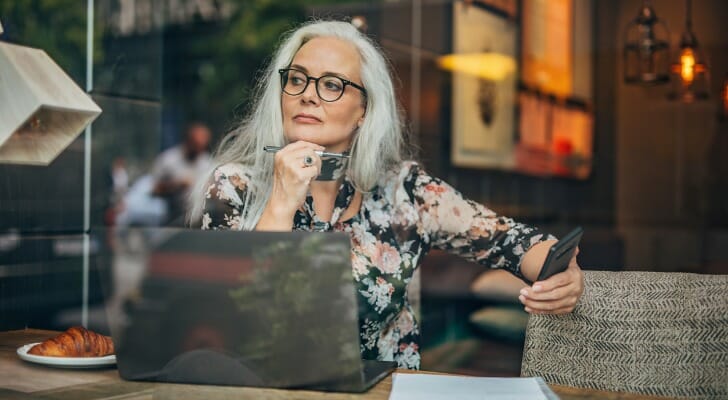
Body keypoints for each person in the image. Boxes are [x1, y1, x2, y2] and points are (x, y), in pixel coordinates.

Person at [190, 20, 584, 370]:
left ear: (364, 110)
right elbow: (233, 325)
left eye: (332, 84)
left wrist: (565, 275)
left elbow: (520, 244)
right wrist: (280, 202)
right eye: (297, 79)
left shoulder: (405, 191)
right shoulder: (233, 186)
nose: (308, 95)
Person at [152, 122, 212, 226]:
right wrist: (176, 185)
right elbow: (155, 190)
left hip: (200, 222)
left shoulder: (208, 162)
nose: (199, 150)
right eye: (196, 145)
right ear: (188, 141)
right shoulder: (168, 160)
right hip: (174, 220)